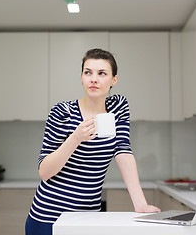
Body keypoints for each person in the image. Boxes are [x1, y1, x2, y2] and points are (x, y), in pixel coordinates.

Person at [25, 48, 160, 235]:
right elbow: (45, 172)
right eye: (88, 72)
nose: (93, 79)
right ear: (81, 77)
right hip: (49, 218)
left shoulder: (118, 106)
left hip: (88, 217)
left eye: (102, 73)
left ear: (114, 80)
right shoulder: (62, 112)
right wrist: (75, 138)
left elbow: (123, 151)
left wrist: (141, 204)